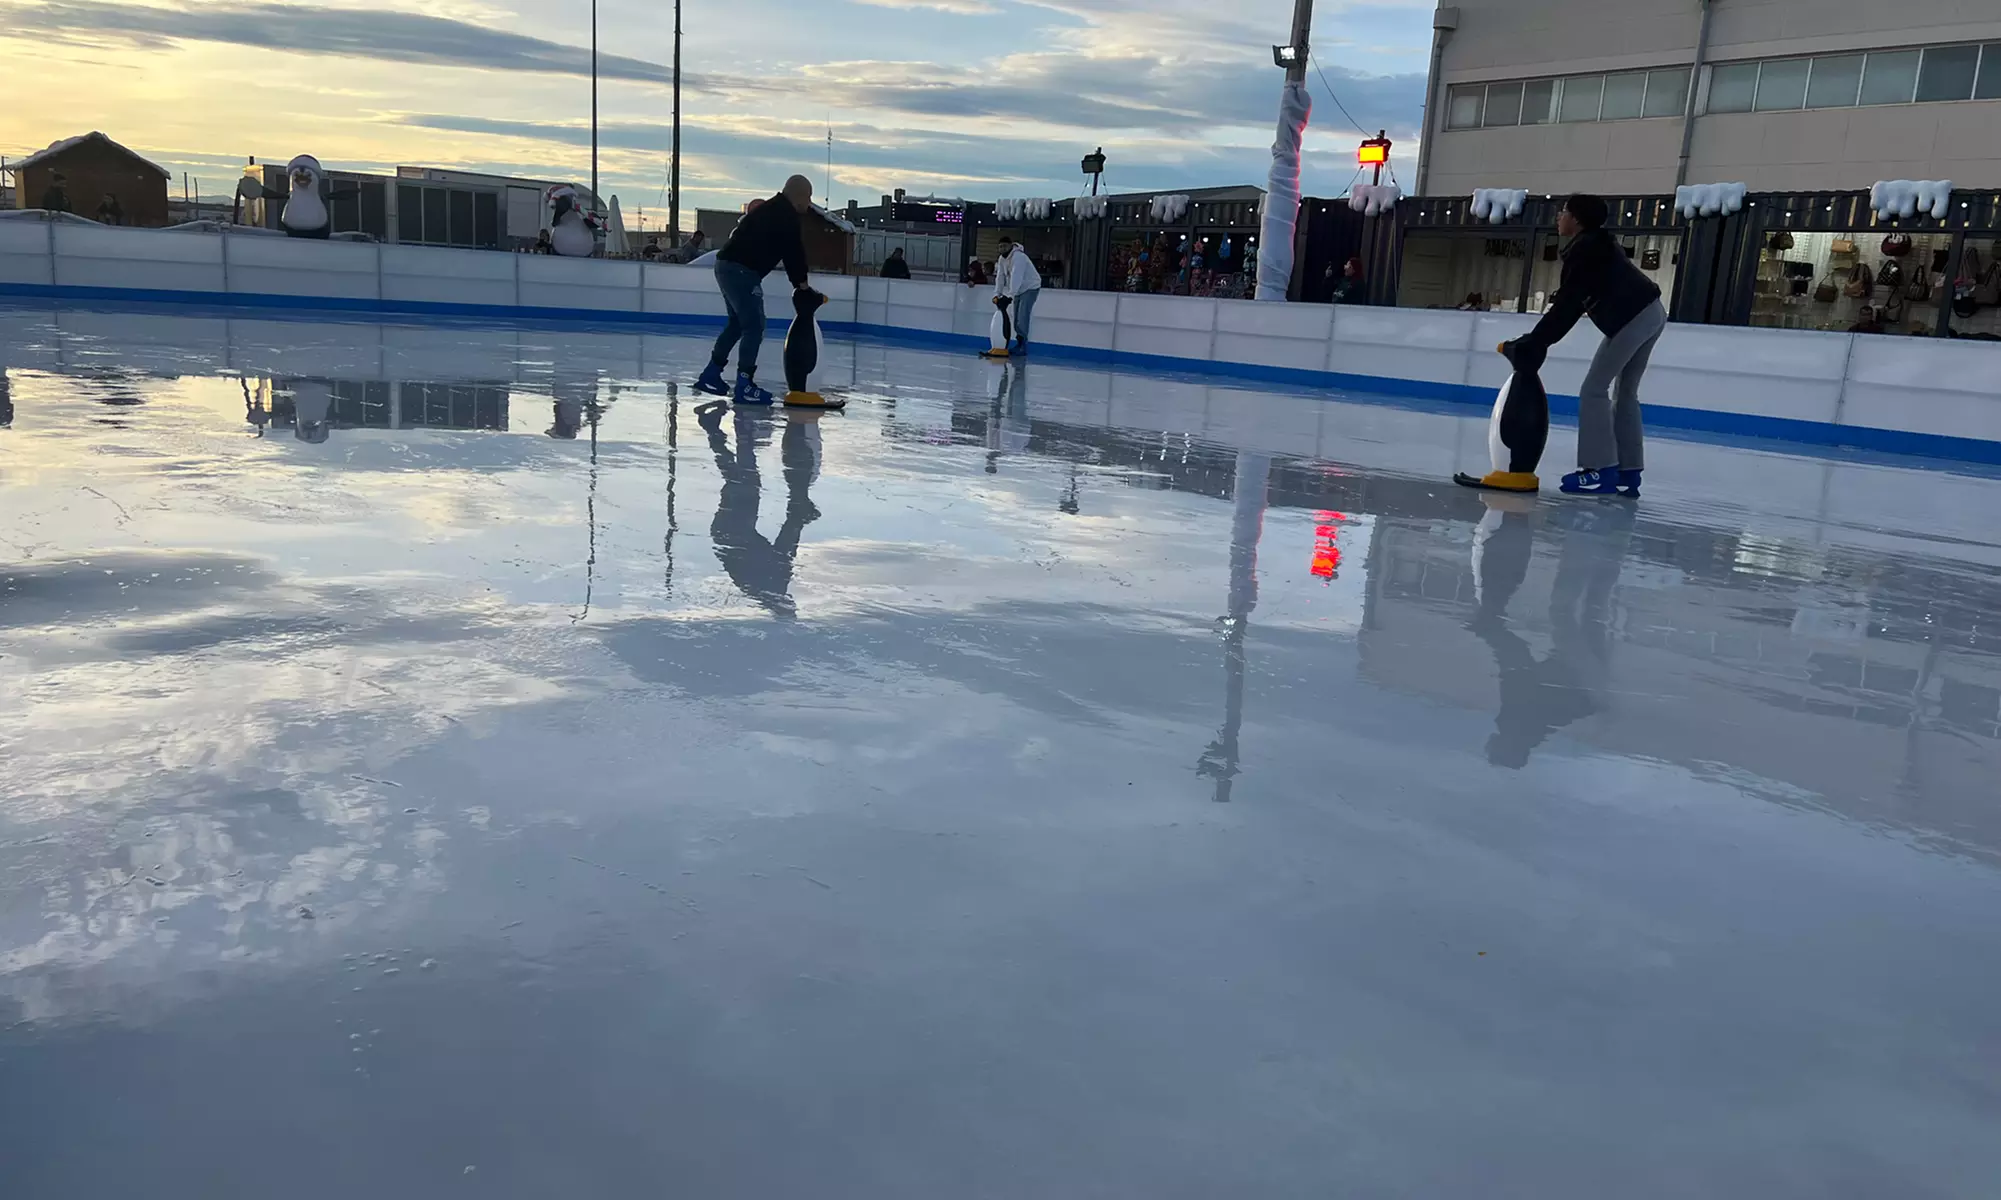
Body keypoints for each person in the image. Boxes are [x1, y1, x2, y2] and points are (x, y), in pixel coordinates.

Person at [1499, 193, 1664, 498]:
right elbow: (1572, 302)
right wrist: (1541, 339)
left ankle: (1598, 469)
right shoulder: (1596, 245)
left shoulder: (1586, 249)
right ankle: (1628, 470)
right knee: (1625, 392)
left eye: (1563, 212)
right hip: (1650, 312)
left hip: (1634, 316)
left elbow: (1569, 303)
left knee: (1593, 389)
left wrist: (1538, 340)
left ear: (1576, 219)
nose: (1558, 217)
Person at [696, 175, 814, 406]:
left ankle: (711, 373)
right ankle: (744, 384)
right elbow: (794, 253)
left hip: (725, 266)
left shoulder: (772, 209)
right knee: (754, 326)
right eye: (808, 197)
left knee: (738, 324)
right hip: (741, 270)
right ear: (798, 195)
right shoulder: (785, 215)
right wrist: (802, 285)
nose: (809, 203)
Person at [993, 236, 1042, 355]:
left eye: (1005, 246)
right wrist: (997, 294)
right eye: (1000, 247)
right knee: (1016, 319)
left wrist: (1010, 296)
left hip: (1030, 287)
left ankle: (1022, 345)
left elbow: (1016, 276)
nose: (1002, 249)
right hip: (1019, 290)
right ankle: (1019, 344)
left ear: (1011, 245)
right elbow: (1000, 277)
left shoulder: (1019, 257)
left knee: (1022, 317)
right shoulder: (1002, 259)